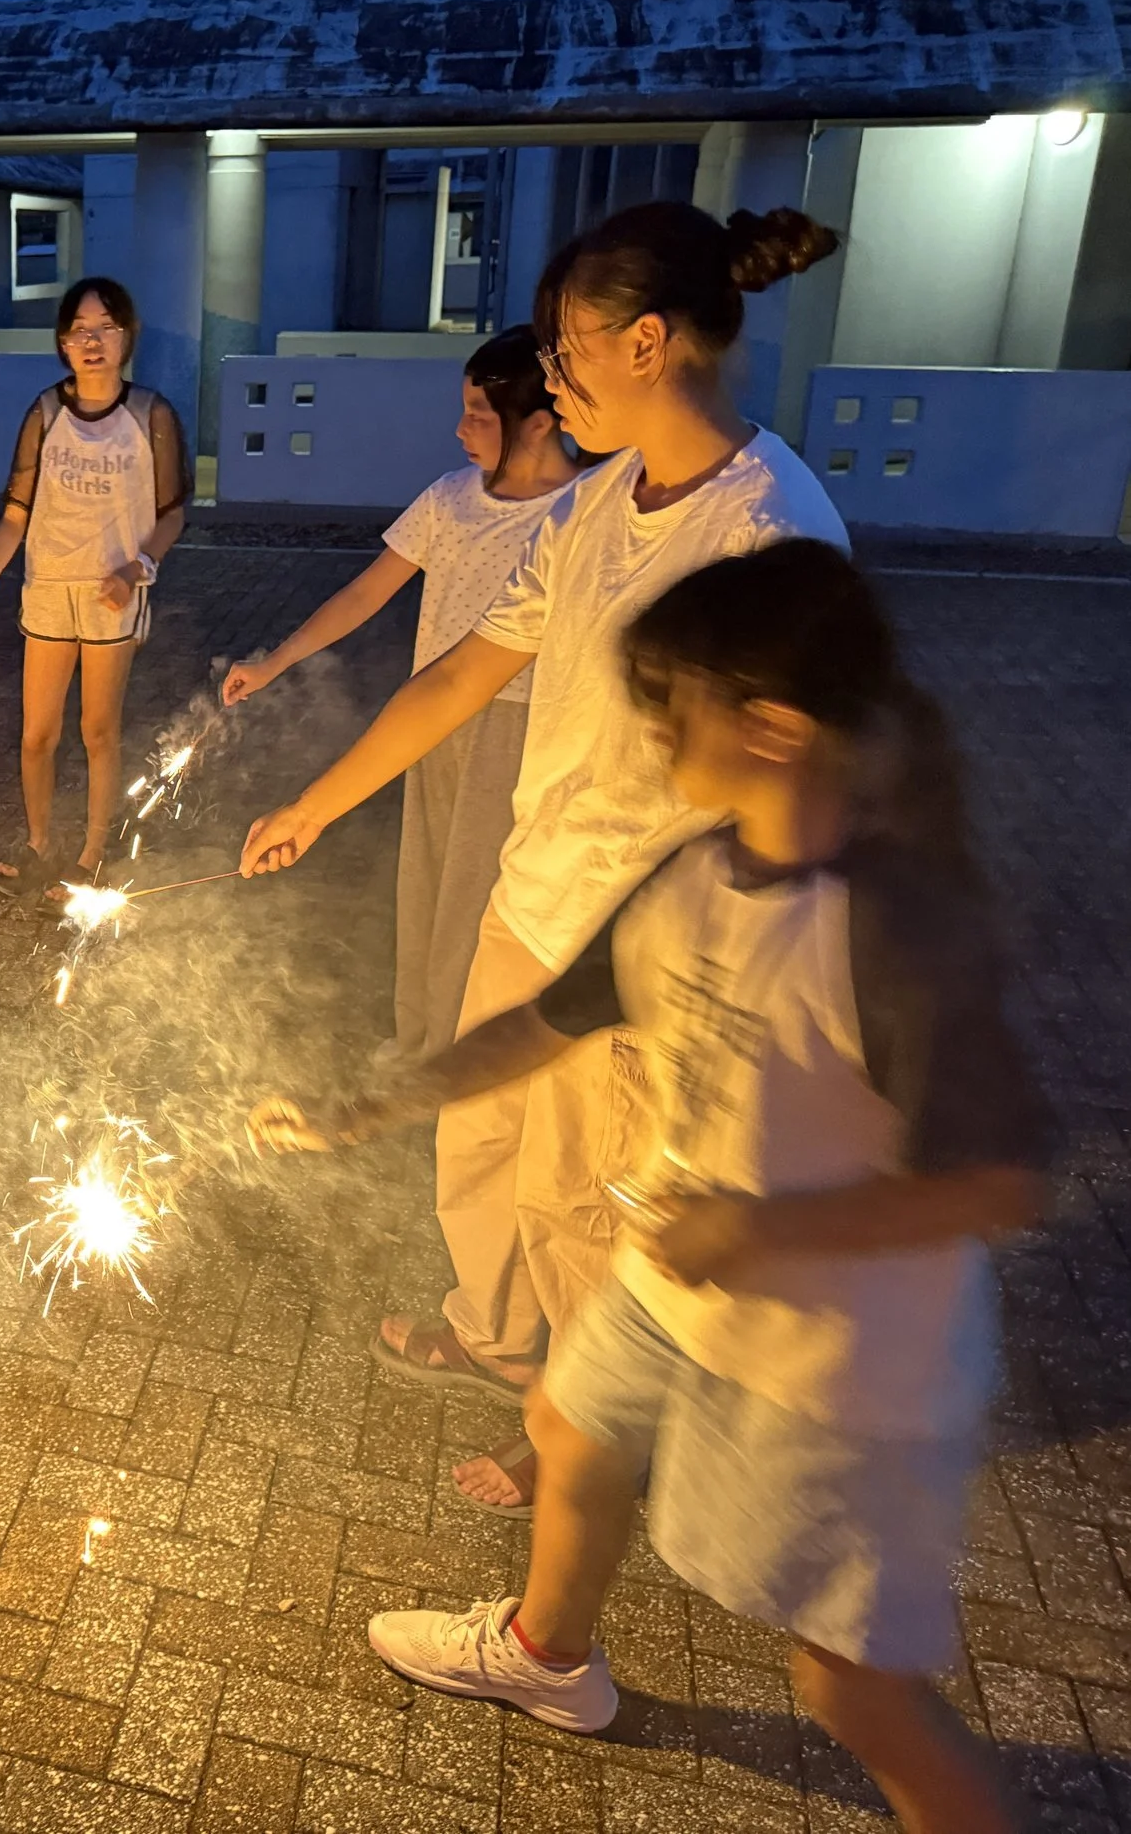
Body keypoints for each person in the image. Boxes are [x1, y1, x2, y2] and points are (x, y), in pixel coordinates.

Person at [250, 542, 1051, 1834]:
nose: (648, 729)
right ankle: (549, 1655)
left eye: (670, 705)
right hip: (679, 1277)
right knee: (570, 1427)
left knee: (853, 1690)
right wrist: (368, 1106)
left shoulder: (890, 929)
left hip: (842, 1356)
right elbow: (544, 1023)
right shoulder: (694, 873)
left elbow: (1001, 1179)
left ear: (773, 727)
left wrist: (765, 1224)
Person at [237, 202, 846, 1514]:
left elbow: (799, 785)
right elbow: (461, 674)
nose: (549, 376)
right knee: (483, 1149)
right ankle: (503, 1341)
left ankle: (579, 1430)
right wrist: (324, 801)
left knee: (586, 1210)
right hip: (534, 899)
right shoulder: (590, 507)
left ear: (646, 343)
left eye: (567, 351)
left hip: (633, 956)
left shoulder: (772, 532)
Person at [223, 327, 584, 1059]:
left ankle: (457, 1059)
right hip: (430, 721)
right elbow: (365, 594)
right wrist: (275, 660)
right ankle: (419, 1039)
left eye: (481, 414)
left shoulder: (581, 513)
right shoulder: (451, 499)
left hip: (517, 731)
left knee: (475, 900)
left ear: (540, 421)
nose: (460, 429)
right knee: (422, 885)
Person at [0, 276, 190, 903]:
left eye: (105, 327)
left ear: (126, 337)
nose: (92, 341)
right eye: (80, 330)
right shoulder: (46, 413)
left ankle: (89, 856)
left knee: (98, 731)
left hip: (113, 592)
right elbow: (15, 513)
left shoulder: (151, 415)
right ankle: (37, 846)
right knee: (38, 734)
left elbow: (173, 513)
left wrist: (139, 565)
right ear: (63, 342)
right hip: (48, 590)